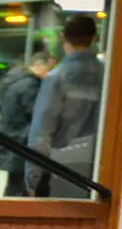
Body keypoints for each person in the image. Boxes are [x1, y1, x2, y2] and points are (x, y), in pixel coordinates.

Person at [28, 15, 104, 198]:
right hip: (100, 170)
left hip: (62, 170)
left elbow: (42, 134)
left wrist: (32, 179)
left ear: (63, 37)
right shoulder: (108, 75)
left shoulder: (57, 78)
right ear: (95, 38)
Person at [0, 50, 53, 196]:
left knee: (14, 190)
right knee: (22, 193)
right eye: (49, 69)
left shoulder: (13, 81)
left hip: (12, 143)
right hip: (24, 146)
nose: (50, 74)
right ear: (39, 66)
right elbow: (38, 117)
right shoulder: (31, 86)